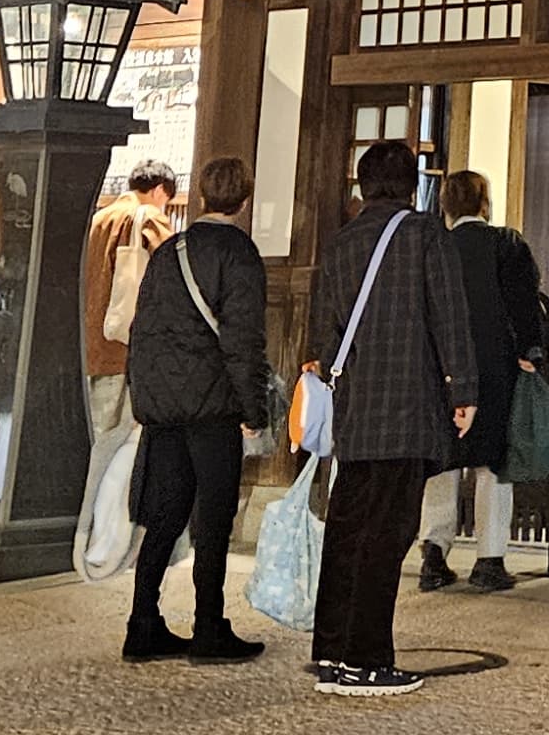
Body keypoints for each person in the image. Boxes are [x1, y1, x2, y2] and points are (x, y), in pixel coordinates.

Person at [298, 137, 482, 698]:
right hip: (407, 406)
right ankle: (368, 659)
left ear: (361, 184)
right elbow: (448, 313)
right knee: (389, 532)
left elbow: (324, 329)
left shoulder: (343, 241)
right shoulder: (426, 234)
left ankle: (331, 651)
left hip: (355, 408)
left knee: (349, 529)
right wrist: (464, 387)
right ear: (411, 184)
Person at [117, 153, 272, 665]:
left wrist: (146, 399)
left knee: (164, 515)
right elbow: (242, 340)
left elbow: (144, 328)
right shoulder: (240, 254)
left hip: (164, 406)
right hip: (212, 405)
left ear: (202, 194)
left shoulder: (170, 251)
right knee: (213, 517)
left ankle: (143, 622)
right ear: (244, 198)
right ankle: (209, 626)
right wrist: (254, 408)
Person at [420, 168, 548, 596]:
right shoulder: (506, 245)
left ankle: (433, 553)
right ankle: (489, 559)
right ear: (484, 204)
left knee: (442, 462)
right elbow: (525, 303)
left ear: (445, 207)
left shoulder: (433, 246)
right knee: (494, 463)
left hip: (441, 368)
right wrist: (530, 350)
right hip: (495, 366)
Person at [84, 159, 180, 455]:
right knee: (123, 443)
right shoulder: (148, 217)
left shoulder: (100, 217)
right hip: (127, 345)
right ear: (161, 191)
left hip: (91, 342)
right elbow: (175, 270)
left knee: (96, 435)